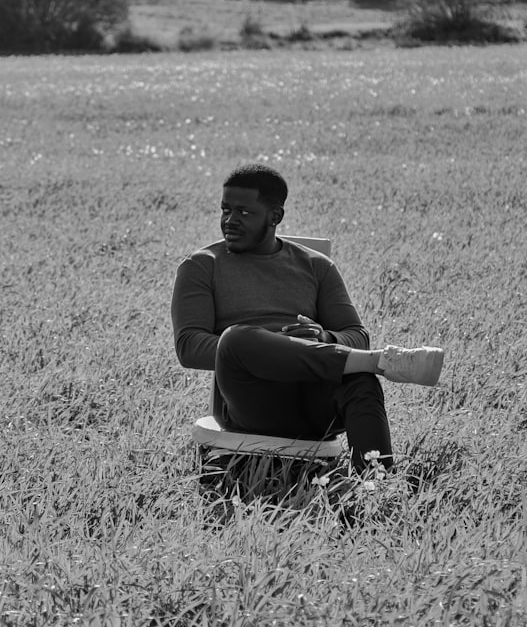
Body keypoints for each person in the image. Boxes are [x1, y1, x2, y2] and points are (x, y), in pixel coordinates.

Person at [171, 163, 444, 473]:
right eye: (225, 210)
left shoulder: (316, 266)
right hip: (250, 402)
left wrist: (323, 338)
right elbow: (189, 347)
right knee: (236, 338)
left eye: (244, 213)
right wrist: (272, 346)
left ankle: (376, 487)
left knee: (362, 383)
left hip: (313, 404)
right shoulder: (202, 265)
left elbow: (356, 334)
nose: (230, 221)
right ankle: (380, 361)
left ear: (275, 216)